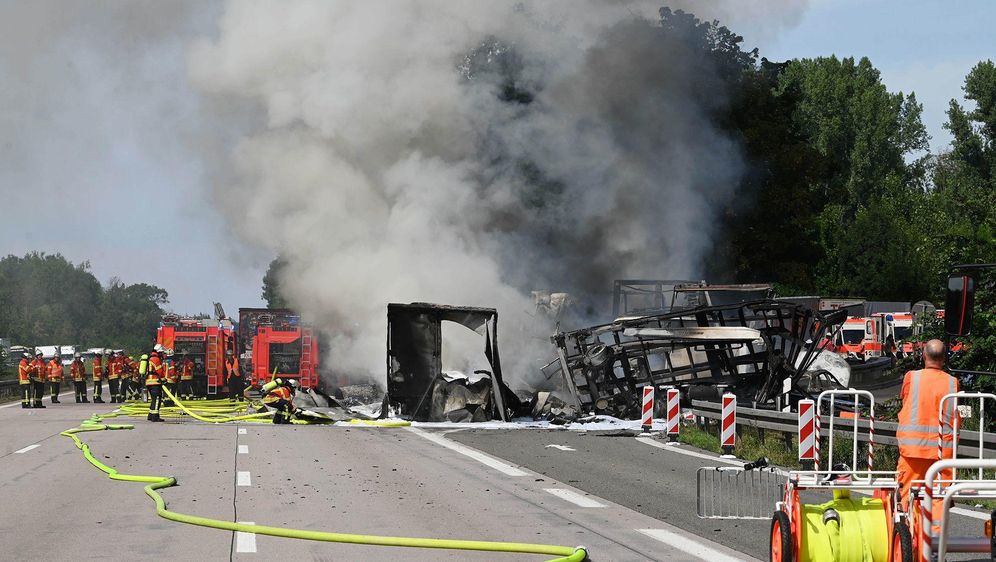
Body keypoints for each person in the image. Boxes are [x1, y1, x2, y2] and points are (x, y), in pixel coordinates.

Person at [896, 339, 959, 513]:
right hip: (942, 452)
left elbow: (906, 402)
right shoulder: (952, 382)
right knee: (939, 500)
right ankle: (935, 537)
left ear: (924, 356)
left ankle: (904, 537)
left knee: (905, 498)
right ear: (944, 359)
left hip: (913, 449)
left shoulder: (911, 378)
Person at [145, 347, 164, 422]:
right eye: (161, 352)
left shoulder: (150, 358)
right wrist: (163, 379)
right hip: (155, 381)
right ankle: (155, 416)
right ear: (158, 352)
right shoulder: (156, 359)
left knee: (153, 399)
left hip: (148, 382)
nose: (162, 354)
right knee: (157, 399)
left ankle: (150, 415)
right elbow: (159, 371)